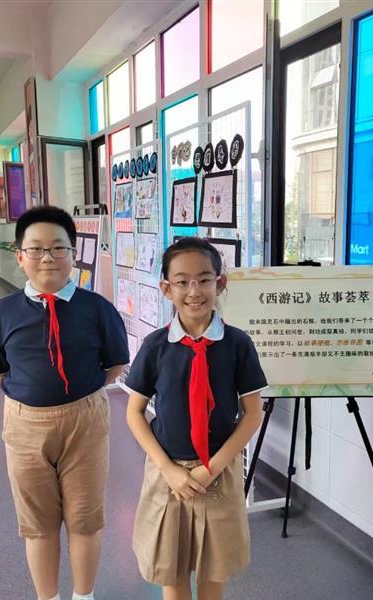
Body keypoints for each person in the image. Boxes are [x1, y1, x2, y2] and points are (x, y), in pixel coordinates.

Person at [0, 206, 129, 600]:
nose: (48, 258)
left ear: (74, 253)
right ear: (20, 256)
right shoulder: (1, 313)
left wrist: (80, 397)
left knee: (85, 519)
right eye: (36, 248)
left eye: (59, 248)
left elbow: (114, 365)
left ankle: (84, 596)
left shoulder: (97, 308)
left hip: (86, 422)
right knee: (38, 524)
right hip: (24, 425)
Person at [125, 237, 267, 600]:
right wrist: (168, 469)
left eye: (204, 279)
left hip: (218, 472)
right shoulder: (155, 346)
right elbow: (134, 412)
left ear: (220, 283)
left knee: (213, 570)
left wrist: (212, 468)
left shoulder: (238, 344)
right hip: (167, 473)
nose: (194, 291)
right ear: (166, 288)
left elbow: (252, 414)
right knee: (170, 569)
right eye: (182, 281)